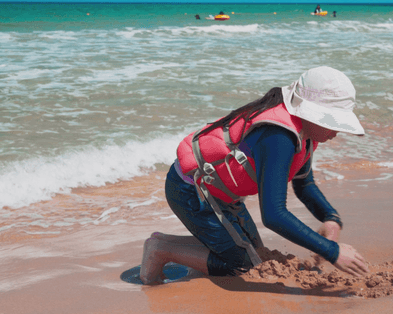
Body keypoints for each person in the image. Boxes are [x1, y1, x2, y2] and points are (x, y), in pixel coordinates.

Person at [140, 66, 370, 285]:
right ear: (309, 113)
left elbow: (304, 184)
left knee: (256, 253)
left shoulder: (305, 133)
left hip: (222, 193)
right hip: (192, 190)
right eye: (331, 121)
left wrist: (330, 218)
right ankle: (161, 249)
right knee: (242, 266)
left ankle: (184, 249)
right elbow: (273, 215)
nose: (336, 131)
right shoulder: (278, 136)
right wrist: (332, 252)